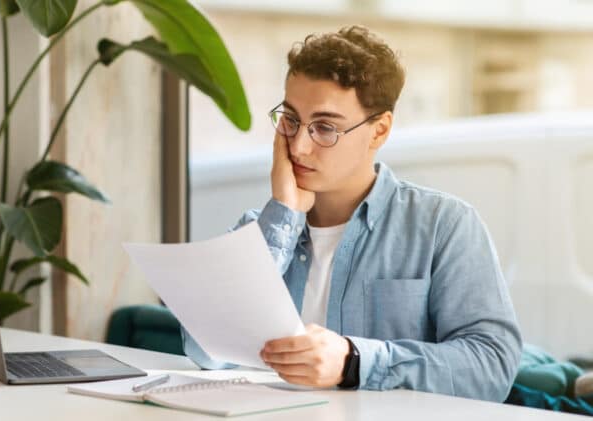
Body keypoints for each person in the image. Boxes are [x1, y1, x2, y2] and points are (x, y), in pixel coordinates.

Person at [181, 25, 522, 402]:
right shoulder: (260, 228)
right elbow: (202, 349)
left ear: (379, 131)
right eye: (291, 120)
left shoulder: (444, 225)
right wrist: (283, 216)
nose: (299, 146)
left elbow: (492, 367)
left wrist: (353, 362)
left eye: (325, 127)